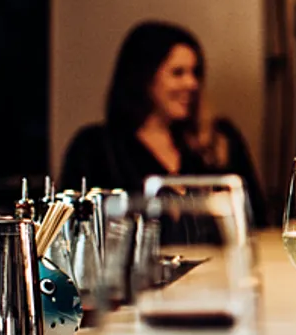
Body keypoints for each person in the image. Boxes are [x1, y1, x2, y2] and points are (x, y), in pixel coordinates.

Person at [59, 20, 268, 225]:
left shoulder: (219, 139)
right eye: (178, 73)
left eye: (195, 73)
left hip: (220, 260)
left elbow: (257, 221)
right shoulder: (96, 148)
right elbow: (76, 230)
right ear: (144, 77)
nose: (192, 83)